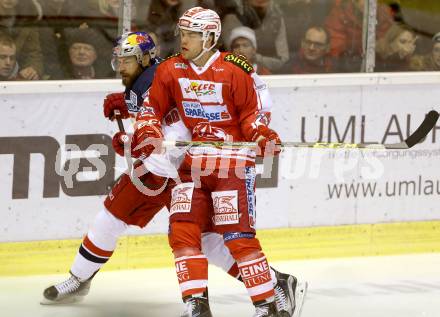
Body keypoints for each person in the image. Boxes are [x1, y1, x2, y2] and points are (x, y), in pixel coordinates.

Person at [41, 30, 305, 317]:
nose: (120, 66)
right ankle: (79, 278)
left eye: (126, 60)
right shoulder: (145, 80)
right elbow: (151, 118)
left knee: (208, 242)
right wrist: (129, 111)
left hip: (181, 173)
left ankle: (274, 283)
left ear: (144, 58)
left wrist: (133, 144)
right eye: (118, 59)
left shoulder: (170, 76)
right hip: (155, 172)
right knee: (109, 218)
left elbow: (178, 136)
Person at [130, 7, 306, 317]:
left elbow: (252, 113)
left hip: (232, 163)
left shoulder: (235, 69)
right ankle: (196, 304)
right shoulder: (171, 69)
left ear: (210, 37)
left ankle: (267, 306)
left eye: (192, 35)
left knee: (236, 235)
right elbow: (151, 109)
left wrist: (261, 134)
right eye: (182, 34)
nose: (184, 40)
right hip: (194, 161)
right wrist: (147, 129)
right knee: (182, 229)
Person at [324, 0, 393, 72]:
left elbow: (388, 45)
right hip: (345, 67)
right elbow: (334, 48)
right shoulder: (340, 12)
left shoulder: (385, 13)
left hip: (381, 68)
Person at [222, 0, 290, 73]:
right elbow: (232, 55)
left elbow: (283, 59)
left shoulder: (277, 20)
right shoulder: (231, 19)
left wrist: (257, 58)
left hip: (269, 75)